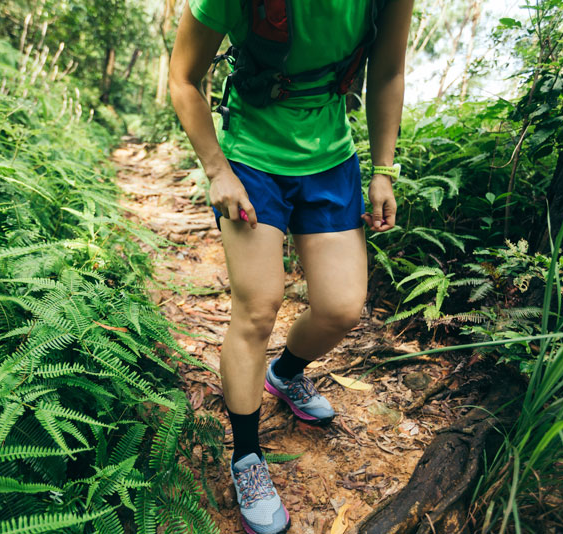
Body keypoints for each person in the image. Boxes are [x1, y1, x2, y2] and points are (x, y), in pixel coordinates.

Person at [170, 1, 412, 532]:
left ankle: (284, 374)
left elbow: (389, 69)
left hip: (331, 162)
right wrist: (217, 169)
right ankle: (248, 458)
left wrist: (383, 169)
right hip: (250, 159)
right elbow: (183, 78)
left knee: (341, 307)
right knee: (257, 309)